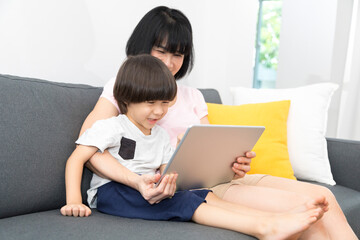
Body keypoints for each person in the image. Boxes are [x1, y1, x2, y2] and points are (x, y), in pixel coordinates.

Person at [73, 6, 357, 239]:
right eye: (161, 51)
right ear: (142, 48)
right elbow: (89, 147)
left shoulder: (192, 95)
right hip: (194, 188)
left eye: (178, 54)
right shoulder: (123, 90)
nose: (170, 63)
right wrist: (135, 181)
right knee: (310, 216)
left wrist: (233, 165)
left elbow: (210, 151)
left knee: (323, 196)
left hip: (225, 179)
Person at [60, 54, 326, 240]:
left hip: (147, 188)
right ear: (127, 99)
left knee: (201, 193)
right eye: (151, 103)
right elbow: (77, 159)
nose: (158, 111)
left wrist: (168, 183)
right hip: (111, 192)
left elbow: (167, 170)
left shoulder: (161, 135)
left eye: (165, 103)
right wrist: (74, 201)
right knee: (183, 202)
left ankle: (275, 217)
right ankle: (264, 227)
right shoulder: (114, 126)